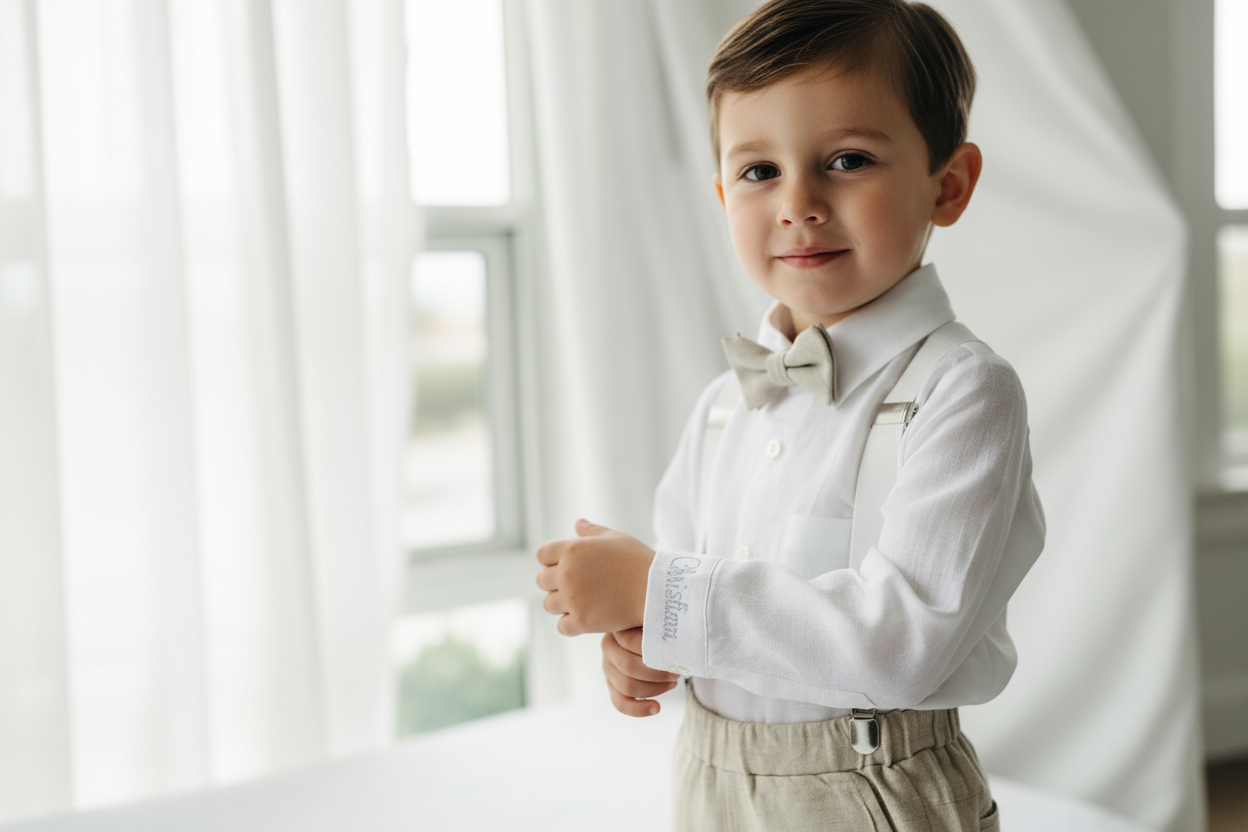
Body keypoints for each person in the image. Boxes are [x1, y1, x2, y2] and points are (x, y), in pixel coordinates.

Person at [535, 1, 1045, 829]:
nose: (798, 202)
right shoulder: (722, 406)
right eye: (759, 171)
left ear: (947, 185)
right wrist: (640, 642)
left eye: (847, 159)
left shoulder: (963, 390)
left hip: (871, 786)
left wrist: (657, 589)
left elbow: (899, 643)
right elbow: (689, 604)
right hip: (710, 780)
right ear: (721, 193)